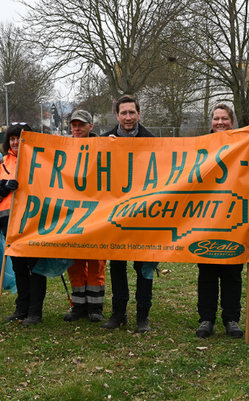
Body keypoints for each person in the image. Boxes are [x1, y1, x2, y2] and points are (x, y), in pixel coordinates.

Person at [195, 104, 249, 339]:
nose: (220, 122)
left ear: (232, 121)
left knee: (232, 271)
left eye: (224, 118)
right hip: (206, 219)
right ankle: (206, 319)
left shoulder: (245, 147)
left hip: (234, 220)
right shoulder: (201, 147)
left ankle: (232, 319)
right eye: (216, 118)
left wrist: (246, 190)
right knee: (206, 271)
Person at [100, 95, 157, 333]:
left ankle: (143, 315)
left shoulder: (153, 141)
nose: (128, 117)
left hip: (145, 215)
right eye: (123, 113)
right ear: (117, 116)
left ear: (139, 114)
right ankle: (118, 313)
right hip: (115, 215)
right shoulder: (103, 141)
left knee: (145, 266)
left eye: (132, 113)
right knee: (117, 265)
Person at [0, 123, 45, 326]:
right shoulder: (0, 165)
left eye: (20, 137)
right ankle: (22, 308)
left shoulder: (41, 161)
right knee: (19, 268)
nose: (16, 142)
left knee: (35, 268)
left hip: (34, 223)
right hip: (9, 224)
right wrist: (3, 186)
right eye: (13, 138)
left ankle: (35, 311)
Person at [63, 110, 108, 322]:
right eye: (74, 125)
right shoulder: (62, 149)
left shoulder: (104, 147)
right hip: (72, 214)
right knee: (75, 262)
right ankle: (78, 307)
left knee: (96, 261)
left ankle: (96, 308)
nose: (77, 129)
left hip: (98, 213)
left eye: (81, 125)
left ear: (91, 126)